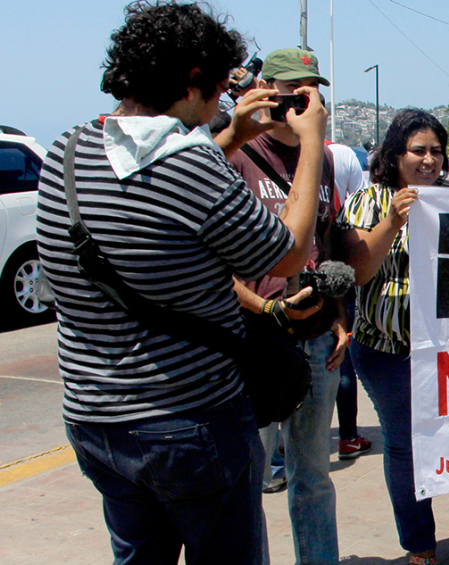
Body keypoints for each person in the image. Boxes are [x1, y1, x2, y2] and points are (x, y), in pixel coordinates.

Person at [36, 2, 327, 563]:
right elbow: (286, 253)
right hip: (189, 421)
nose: (223, 101)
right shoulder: (192, 167)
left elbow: (156, 198)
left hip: (95, 420)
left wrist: (233, 136)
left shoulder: (65, 152)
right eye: (220, 88)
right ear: (193, 81)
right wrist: (312, 140)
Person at [339, 107, 449, 565]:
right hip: (387, 353)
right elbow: (358, 272)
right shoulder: (368, 200)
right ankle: (420, 548)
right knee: (405, 449)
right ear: (396, 155)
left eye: (436, 151)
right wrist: (392, 222)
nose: (429, 160)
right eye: (418, 151)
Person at [226, 47, 346, 565]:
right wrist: (266, 309)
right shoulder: (230, 155)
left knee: (313, 475)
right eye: (290, 90)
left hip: (315, 337)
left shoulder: (320, 155)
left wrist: (339, 313)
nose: (301, 100)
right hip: (253, 338)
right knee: (245, 477)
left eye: (311, 90)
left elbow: (327, 239)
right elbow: (210, 261)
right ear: (263, 91)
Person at [325, 140, 375, 460]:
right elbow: (358, 207)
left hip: (313, 264)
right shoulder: (344, 155)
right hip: (344, 265)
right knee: (344, 358)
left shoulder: (298, 152)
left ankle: (282, 446)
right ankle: (348, 436)